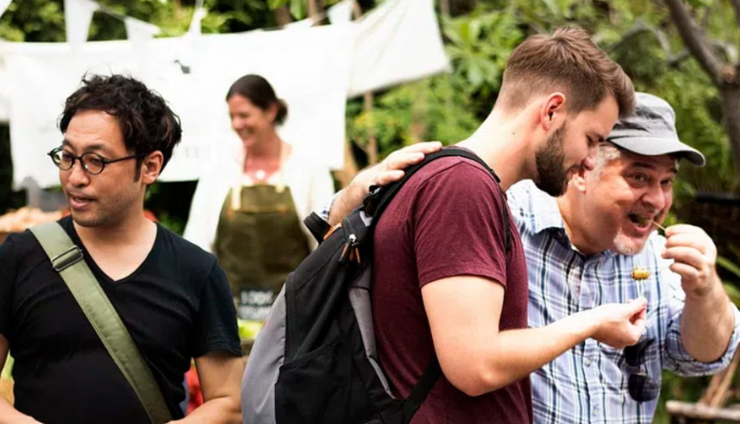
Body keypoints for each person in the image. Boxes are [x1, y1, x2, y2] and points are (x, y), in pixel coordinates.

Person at [327, 26, 641, 423]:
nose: (590, 160)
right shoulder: (463, 187)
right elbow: (475, 366)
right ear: (551, 111)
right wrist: (591, 322)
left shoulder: (455, 181)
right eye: (592, 139)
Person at [0, 75, 242, 424]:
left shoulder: (196, 271)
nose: (75, 177)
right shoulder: (20, 257)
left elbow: (228, 400)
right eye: (67, 156)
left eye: (95, 161)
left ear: (150, 166)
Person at [507, 92, 740, 424]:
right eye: (639, 177)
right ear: (581, 171)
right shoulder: (508, 222)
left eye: (667, 181)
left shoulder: (656, 259)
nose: (658, 199)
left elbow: (706, 355)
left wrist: (704, 289)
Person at [184, 74, 334, 303]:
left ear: (271, 111)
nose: (236, 124)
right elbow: (197, 247)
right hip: (229, 313)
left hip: (295, 312)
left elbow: (327, 249)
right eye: (232, 117)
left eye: (244, 115)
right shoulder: (219, 173)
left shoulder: (308, 170)